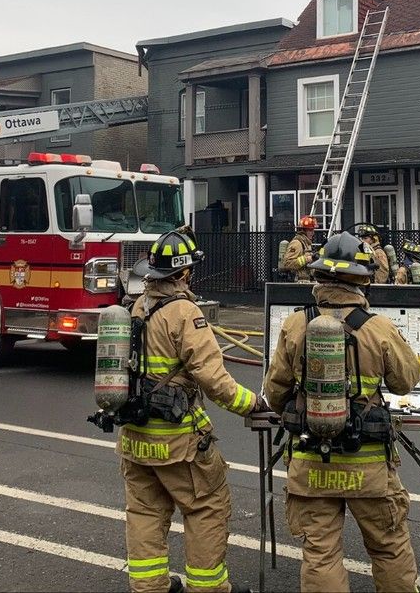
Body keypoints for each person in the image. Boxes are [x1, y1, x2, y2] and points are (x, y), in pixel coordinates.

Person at [263, 231, 420, 592]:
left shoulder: (295, 323)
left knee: (320, 553)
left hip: (310, 457)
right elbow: (405, 381)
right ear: (363, 279)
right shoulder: (377, 326)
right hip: (368, 463)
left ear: (319, 275)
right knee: (389, 547)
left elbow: (276, 391)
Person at [120, 229, 263, 593]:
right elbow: (212, 378)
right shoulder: (186, 313)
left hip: (135, 437)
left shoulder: (137, 306)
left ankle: (150, 586)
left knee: (145, 512)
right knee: (207, 506)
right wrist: (252, 404)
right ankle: (208, 587)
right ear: (183, 274)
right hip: (177, 440)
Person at [281, 215, 318, 282]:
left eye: (313, 230)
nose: (313, 233)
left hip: (306, 281)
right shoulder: (297, 243)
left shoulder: (306, 243)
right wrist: (307, 259)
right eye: (310, 230)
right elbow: (287, 264)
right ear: (303, 231)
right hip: (298, 282)